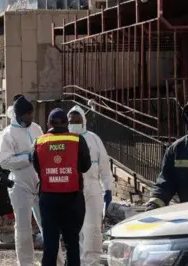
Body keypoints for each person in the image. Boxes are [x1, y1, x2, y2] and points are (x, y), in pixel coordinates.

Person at [33, 108, 91, 266]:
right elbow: (86, 166)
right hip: (72, 198)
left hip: (48, 198)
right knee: (72, 243)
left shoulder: (39, 141)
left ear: (48, 124)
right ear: (66, 123)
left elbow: (38, 168)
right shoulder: (78, 140)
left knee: (50, 243)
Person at [0, 95, 44, 266]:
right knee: (23, 226)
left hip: (40, 182)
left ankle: (54, 260)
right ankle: (26, 263)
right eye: (27, 115)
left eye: (31, 114)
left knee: (47, 223)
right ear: (18, 115)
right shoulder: (7, 134)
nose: (30, 118)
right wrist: (27, 157)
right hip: (20, 184)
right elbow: (5, 162)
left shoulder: (36, 129)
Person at [67, 106, 114, 266]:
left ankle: (92, 262)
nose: (74, 124)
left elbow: (104, 166)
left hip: (92, 187)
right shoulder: (65, 139)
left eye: (77, 121)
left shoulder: (93, 139)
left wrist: (108, 188)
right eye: (71, 121)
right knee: (76, 229)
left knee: (93, 227)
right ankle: (78, 261)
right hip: (72, 189)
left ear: (83, 121)